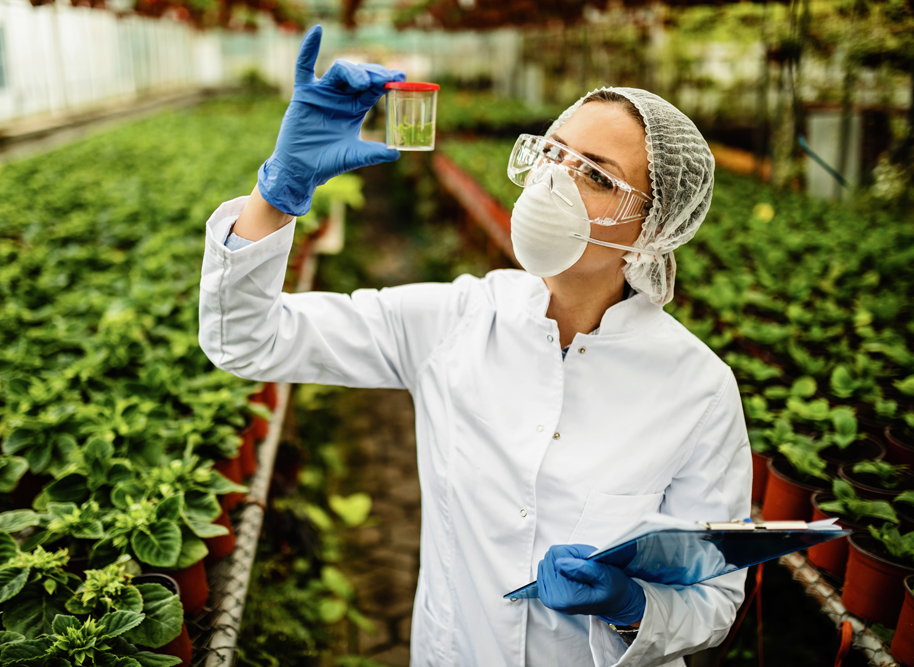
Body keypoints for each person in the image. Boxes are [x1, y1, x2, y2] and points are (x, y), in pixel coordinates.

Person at [199, 24, 751, 667]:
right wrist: (278, 190)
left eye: (596, 175)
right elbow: (246, 339)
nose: (554, 182)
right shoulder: (457, 317)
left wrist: (635, 607)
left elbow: (715, 597)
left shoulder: (698, 388)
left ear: (653, 228)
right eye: (552, 153)